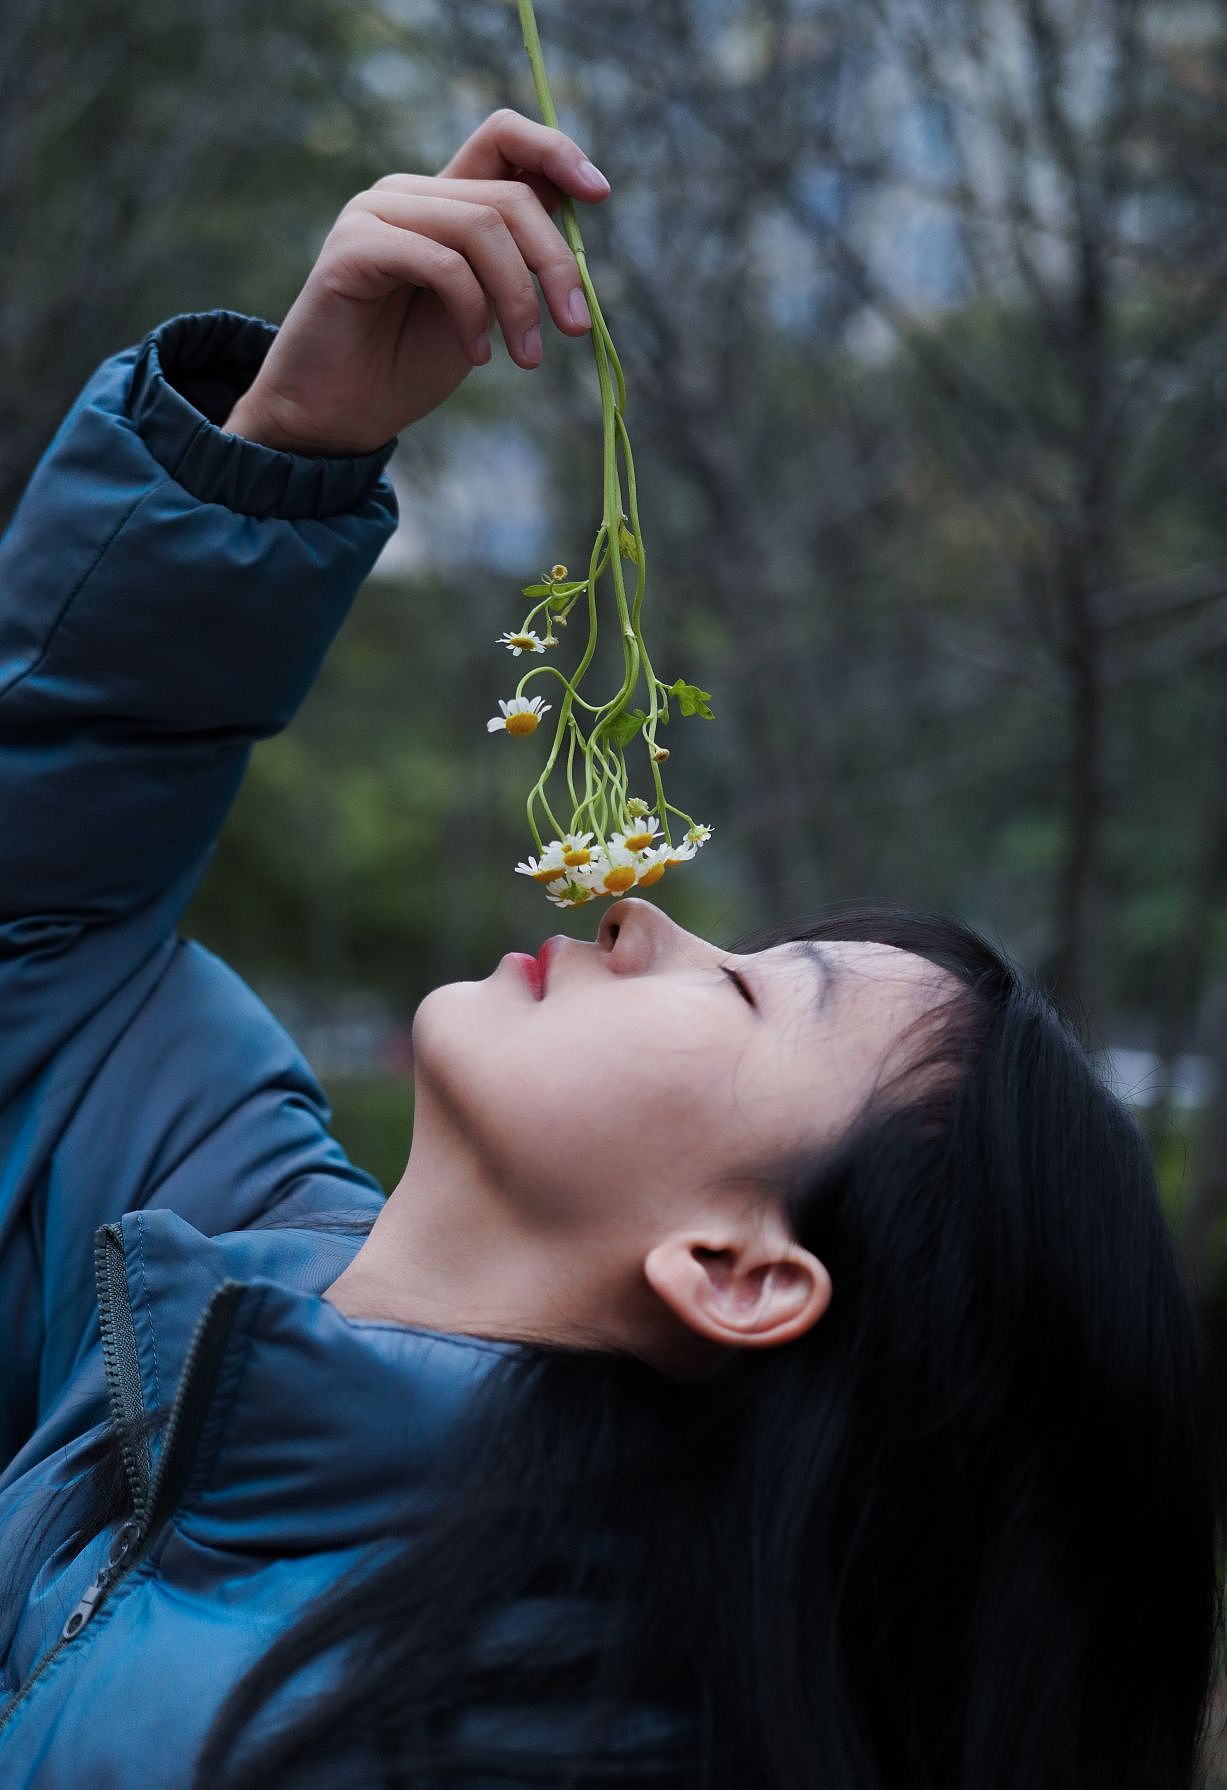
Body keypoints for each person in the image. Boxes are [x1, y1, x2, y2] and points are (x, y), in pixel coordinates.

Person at [0, 105, 1220, 1790]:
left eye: (742, 989)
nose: (637, 913)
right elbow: (37, 925)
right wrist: (282, 447)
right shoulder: (227, 1274)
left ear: (739, 1269)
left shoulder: (535, 1748)